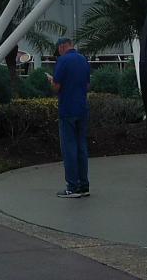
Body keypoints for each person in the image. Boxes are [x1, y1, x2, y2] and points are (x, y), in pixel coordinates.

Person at [50, 35, 90, 198]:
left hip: (67, 109)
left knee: (69, 148)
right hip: (82, 108)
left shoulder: (62, 61)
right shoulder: (83, 60)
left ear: (61, 48)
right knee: (81, 146)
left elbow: (56, 86)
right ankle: (83, 184)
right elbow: (87, 85)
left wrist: (51, 82)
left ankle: (72, 186)